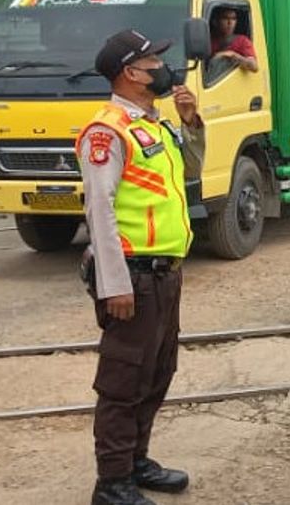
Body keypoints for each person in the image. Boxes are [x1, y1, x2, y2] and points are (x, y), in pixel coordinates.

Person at [76, 29, 204, 505]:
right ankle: (111, 483)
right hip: (132, 275)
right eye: (153, 62)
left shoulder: (156, 124)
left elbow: (190, 172)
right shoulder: (106, 132)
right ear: (131, 73)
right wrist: (114, 285)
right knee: (123, 380)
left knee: (156, 371)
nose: (163, 69)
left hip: (164, 273)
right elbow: (100, 211)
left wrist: (190, 123)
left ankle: (135, 461)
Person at [209, 7, 259, 72]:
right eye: (225, 18)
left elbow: (254, 66)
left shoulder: (242, 41)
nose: (230, 22)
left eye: (233, 19)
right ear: (215, 22)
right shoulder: (209, 41)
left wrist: (232, 55)